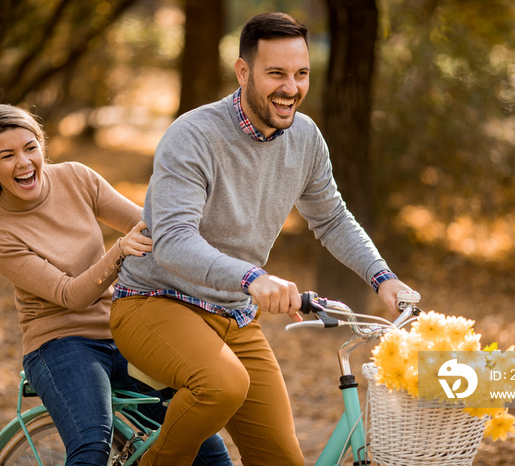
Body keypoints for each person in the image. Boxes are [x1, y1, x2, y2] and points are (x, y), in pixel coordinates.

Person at [109, 11, 415, 466]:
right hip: (154, 301)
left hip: (232, 315)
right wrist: (252, 278)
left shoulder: (306, 139)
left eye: (301, 74)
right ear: (243, 71)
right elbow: (172, 240)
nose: (291, 88)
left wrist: (382, 277)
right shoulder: (193, 135)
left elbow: (331, 217)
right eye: (276, 73)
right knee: (223, 383)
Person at [0, 104, 232, 466]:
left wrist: (218, 256)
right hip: (60, 345)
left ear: (42, 147)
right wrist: (119, 252)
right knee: (91, 447)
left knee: (206, 446)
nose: (23, 162)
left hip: (122, 332)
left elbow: (147, 225)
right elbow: (70, 296)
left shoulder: (76, 178)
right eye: (7, 155)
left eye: (30, 148)